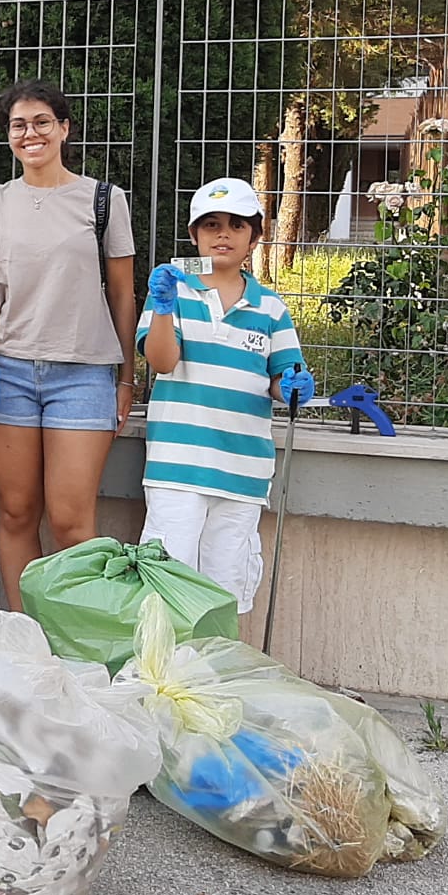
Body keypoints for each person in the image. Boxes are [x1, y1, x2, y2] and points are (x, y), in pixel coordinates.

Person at [0, 79, 139, 609]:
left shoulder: (104, 200)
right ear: (8, 137)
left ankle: (75, 644)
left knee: (71, 523)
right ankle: (25, 638)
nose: (30, 133)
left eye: (42, 122)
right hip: (12, 375)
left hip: (83, 376)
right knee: (16, 513)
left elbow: (123, 294)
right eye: (18, 125)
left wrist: (127, 377)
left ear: (64, 129)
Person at [139, 177, 314, 615]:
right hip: (177, 468)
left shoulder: (271, 306)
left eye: (237, 225)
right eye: (211, 224)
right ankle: (162, 675)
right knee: (168, 585)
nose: (223, 234)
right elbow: (161, 361)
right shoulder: (174, 290)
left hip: (242, 472)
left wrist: (292, 385)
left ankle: (214, 676)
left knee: (226, 586)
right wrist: (161, 308)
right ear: (194, 234)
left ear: (255, 237)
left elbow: (280, 377)